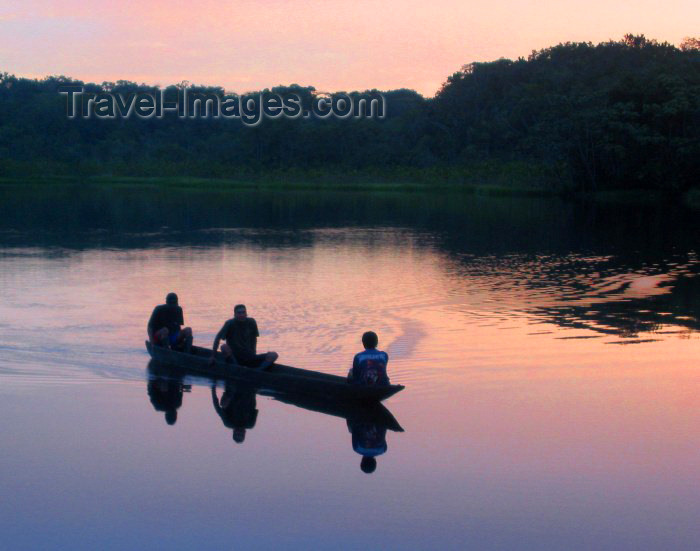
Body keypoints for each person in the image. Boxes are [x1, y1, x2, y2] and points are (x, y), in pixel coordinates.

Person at [210, 304, 278, 369]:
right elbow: (217, 338)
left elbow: (254, 339)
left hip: (249, 356)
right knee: (224, 347)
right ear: (235, 314)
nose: (241, 315)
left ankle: (257, 371)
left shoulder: (252, 322)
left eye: (243, 312)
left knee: (273, 355)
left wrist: (253, 353)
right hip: (234, 356)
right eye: (239, 313)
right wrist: (213, 356)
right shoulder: (229, 323)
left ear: (246, 313)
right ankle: (237, 367)